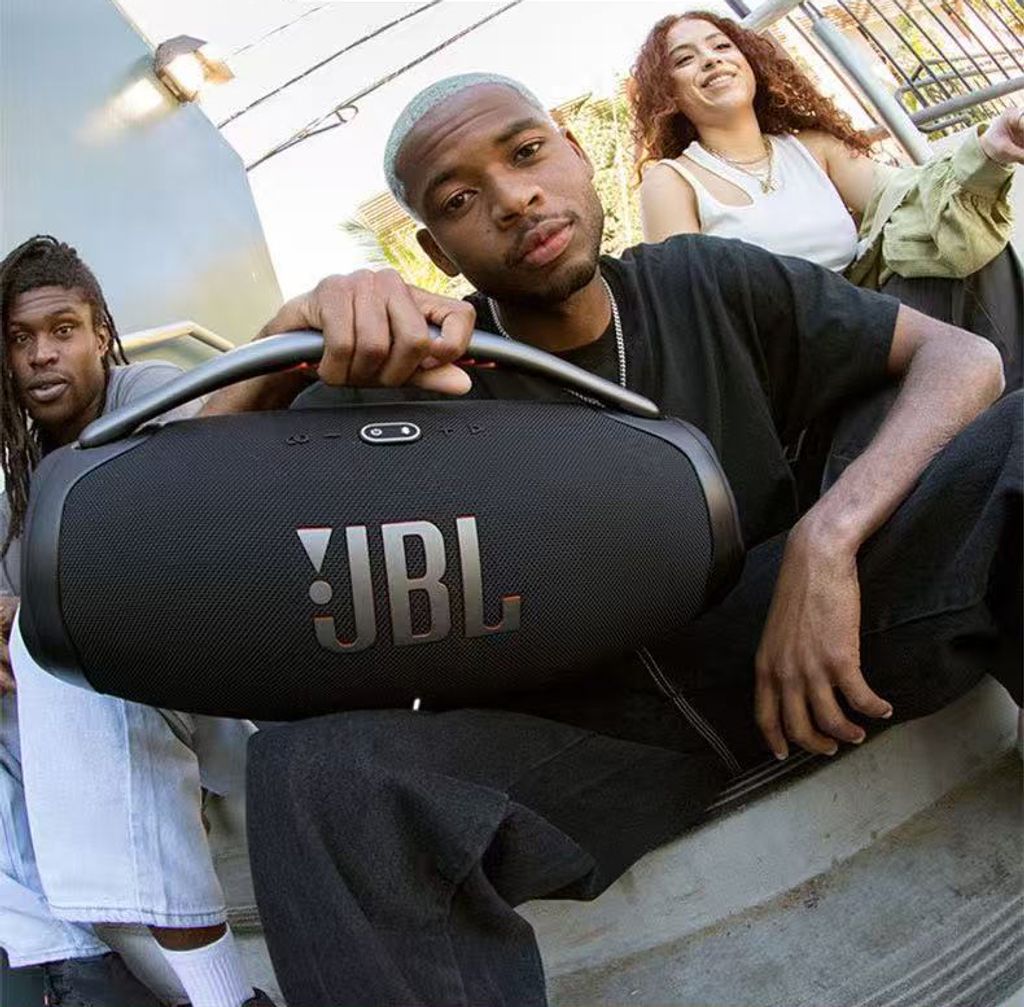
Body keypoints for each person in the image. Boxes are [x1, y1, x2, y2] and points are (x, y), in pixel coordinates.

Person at [202, 74, 1019, 1006]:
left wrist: (826, 539)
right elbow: (179, 520)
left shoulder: (702, 280)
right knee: (313, 774)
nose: (514, 199)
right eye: (460, 200)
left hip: (798, 651)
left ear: (574, 152)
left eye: (526, 153)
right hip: (589, 743)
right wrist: (280, 349)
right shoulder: (420, 384)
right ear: (436, 250)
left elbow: (963, 358)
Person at [0, 236, 273, 1007]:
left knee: (70, 652)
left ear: (99, 332)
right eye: (20, 339)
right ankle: (68, 954)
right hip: (111, 711)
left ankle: (219, 996)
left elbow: (170, 542)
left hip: (219, 692)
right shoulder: (18, 470)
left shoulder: (152, 395)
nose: (42, 355)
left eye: (62, 330)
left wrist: (33, 616)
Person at [629, 12, 1024, 497]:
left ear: (749, 60)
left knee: (967, 248)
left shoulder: (813, 149)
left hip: (875, 327)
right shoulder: (672, 181)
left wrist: (988, 152)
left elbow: (913, 198)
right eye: (685, 59)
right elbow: (691, 318)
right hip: (797, 371)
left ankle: (1012, 420)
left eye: (721, 46)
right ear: (668, 93)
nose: (711, 60)